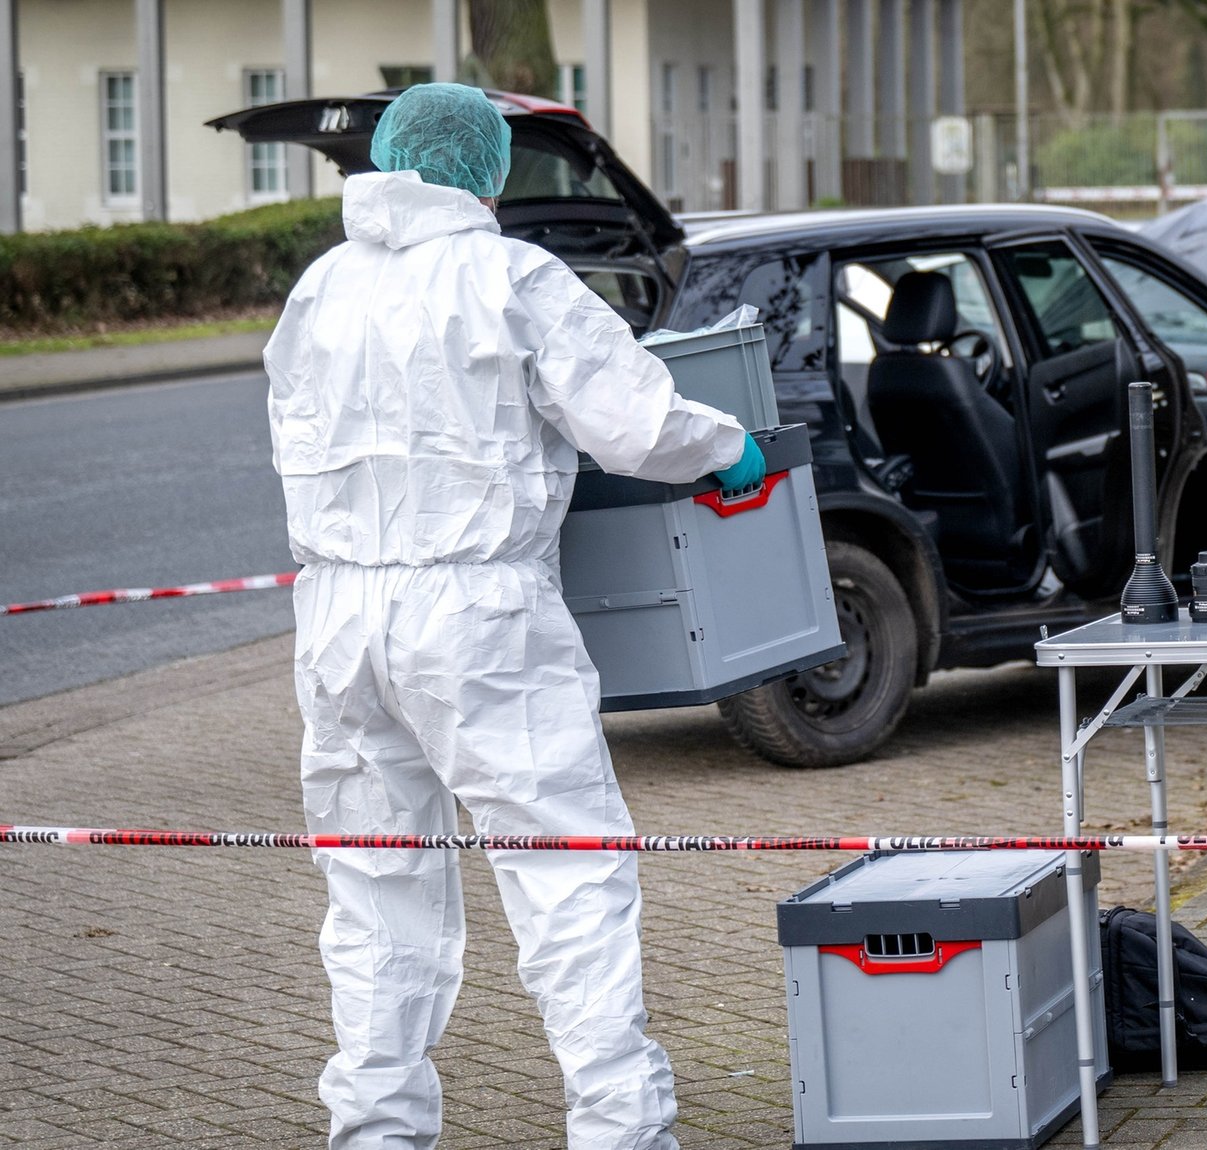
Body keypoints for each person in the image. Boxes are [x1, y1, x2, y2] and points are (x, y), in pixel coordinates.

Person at [265, 83, 763, 1150]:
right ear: (488, 172)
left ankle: (375, 1131)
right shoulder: (509, 276)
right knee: (565, 871)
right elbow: (631, 421)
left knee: (370, 884)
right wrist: (724, 447)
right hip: (479, 612)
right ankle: (620, 1128)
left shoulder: (320, 289)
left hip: (337, 616)